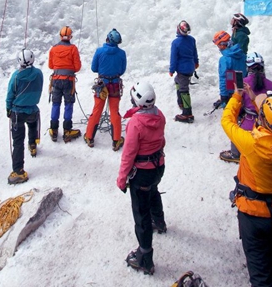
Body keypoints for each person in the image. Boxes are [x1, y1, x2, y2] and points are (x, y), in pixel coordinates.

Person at [221, 86, 272, 287]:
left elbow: (227, 120)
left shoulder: (252, 143)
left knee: (260, 274)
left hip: (254, 216)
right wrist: (256, 99)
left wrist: (238, 96)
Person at [117, 81, 166, 276]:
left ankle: (145, 258)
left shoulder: (136, 124)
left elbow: (128, 154)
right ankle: (159, 221)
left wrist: (122, 178)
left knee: (141, 213)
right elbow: (161, 139)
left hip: (142, 172)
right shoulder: (159, 115)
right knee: (153, 191)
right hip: (158, 166)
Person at [220, 52, 272, 163]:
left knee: (234, 125)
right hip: (268, 124)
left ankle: (235, 153)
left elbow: (239, 104)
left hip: (248, 122)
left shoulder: (243, 83)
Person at [84, 28, 127, 150]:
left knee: (97, 109)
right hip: (114, 84)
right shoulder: (122, 53)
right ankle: (116, 140)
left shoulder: (99, 51)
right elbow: (122, 70)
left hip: (102, 85)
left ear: (107, 38)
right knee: (114, 111)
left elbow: (94, 68)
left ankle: (89, 137)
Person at [6, 49, 43, 185]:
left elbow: (10, 93)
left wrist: (8, 108)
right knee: (33, 126)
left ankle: (18, 171)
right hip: (32, 108)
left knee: (17, 142)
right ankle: (32, 145)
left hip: (17, 112)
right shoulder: (38, 74)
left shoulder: (16, 76)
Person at [48, 27, 82, 143]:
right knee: (68, 104)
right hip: (68, 80)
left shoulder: (53, 49)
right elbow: (77, 67)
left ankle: (54, 129)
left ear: (60, 36)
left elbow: (51, 66)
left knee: (56, 103)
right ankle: (67, 130)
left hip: (56, 80)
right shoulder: (73, 49)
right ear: (70, 36)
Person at [169, 20, 199, 123]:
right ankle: (181, 101)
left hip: (182, 69)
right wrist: (196, 62)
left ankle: (187, 113)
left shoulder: (176, 42)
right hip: (190, 67)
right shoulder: (192, 40)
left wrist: (171, 70)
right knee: (178, 81)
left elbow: (173, 58)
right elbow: (195, 52)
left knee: (183, 89)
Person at [212, 30, 246, 108]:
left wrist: (223, 95)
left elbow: (224, 78)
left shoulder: (225, 59)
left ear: (222, 45)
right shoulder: (241, 54)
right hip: (242, 87)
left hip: (231, 90)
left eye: (218, 45)